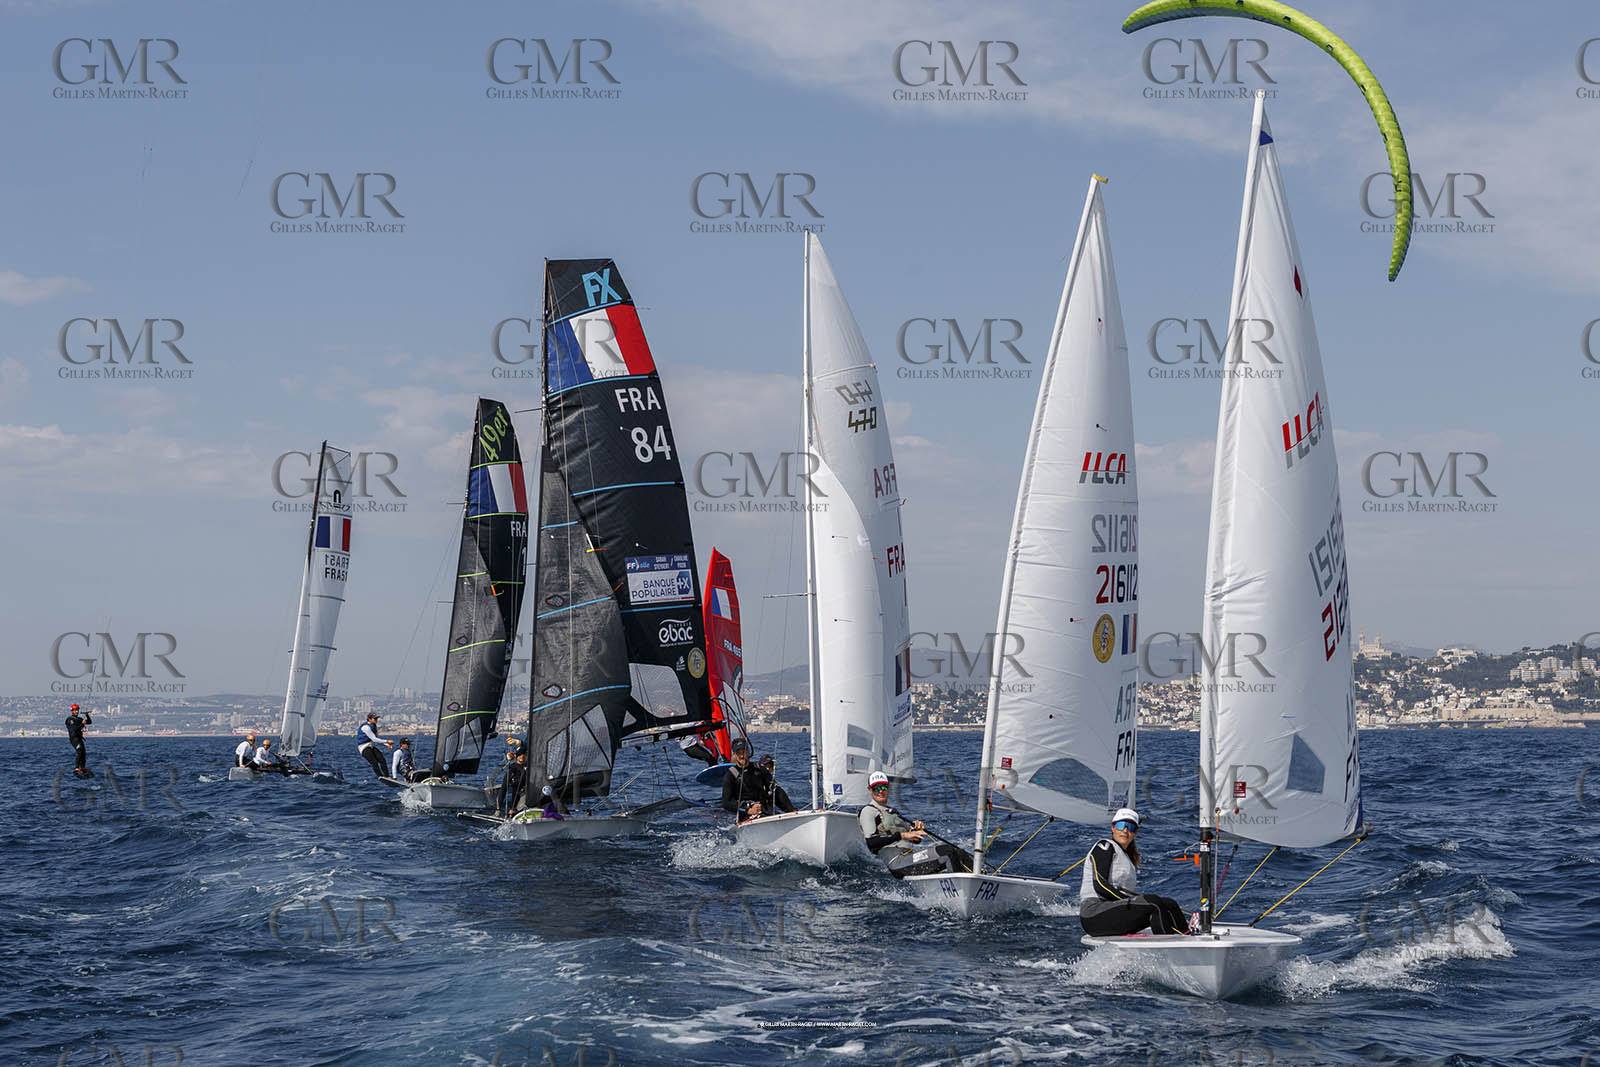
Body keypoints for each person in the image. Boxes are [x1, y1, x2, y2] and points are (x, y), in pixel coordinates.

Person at [1078, 808, 1193, 937]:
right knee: (1153, 903)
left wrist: (1132, 903)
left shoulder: (1127, 857)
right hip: (1093, 915)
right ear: (1113, 827)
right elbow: (1100, 885)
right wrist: (1130, 901)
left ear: (1135, 832)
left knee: (1168, 903)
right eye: (1121, 825)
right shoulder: (1104, 846)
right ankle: (1167, 948)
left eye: (1130, 827)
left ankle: (1187, 936)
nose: (1125, 830)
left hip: (1112, 912)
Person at [858, 771, 974, 877]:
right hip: (898, 863)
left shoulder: (891, 811)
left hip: (910, 857)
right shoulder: (868, 811)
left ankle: (982, 878)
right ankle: (962, 886)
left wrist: (915, 831)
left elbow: (914, 840)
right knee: (947, 851)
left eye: (883, 787)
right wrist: (902, 835)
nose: (880, 791)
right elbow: (871, 842)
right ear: (869, 789)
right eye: (876, 788)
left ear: (888, 788)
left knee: (959, 852)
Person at [719, 739, 769, 822]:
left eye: (744, 752)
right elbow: (726, 803)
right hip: (745, 816)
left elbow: (776, 790)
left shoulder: (760, 769)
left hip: (765, 812)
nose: (742, 756)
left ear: (748, 752)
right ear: (734, 755)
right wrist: (748, 810)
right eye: (739, 753)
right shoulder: (730, 775)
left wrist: (791, 810)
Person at [355, 712, 393, 780]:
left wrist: (387, 745)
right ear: (369, 719)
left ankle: (387, 776)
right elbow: (374, 739)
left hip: (371, 746)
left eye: (377, 718)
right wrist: (387, 741)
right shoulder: (366, 727)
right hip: (364, 747)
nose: (376, 720)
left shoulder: (374, 726)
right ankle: (380, 776)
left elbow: (377, 737)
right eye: (374, 718)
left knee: (382, 759)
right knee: (374, 762)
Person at [498, 751, 529, 817]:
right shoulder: (512, 769)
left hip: (530, 795)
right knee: (514, 811)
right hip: (517, 798)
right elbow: (503, 789)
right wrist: (498, 809)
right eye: (520, 754)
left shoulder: (531, 767)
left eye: (524, 754)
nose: (522, 756)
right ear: (516, 757)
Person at [65, 704, 92, 775]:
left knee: (83, 753)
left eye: (77, 710)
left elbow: (89, 722)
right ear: (72, 711)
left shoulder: (79, 719)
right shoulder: (70, 719)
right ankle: (76, 767)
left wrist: (87, 715)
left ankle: (83, 767)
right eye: (75, 710)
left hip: (79, 738)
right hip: (74, 738)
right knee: (79, 751)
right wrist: (82, 724)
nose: (76, 711)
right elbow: (74, 729)